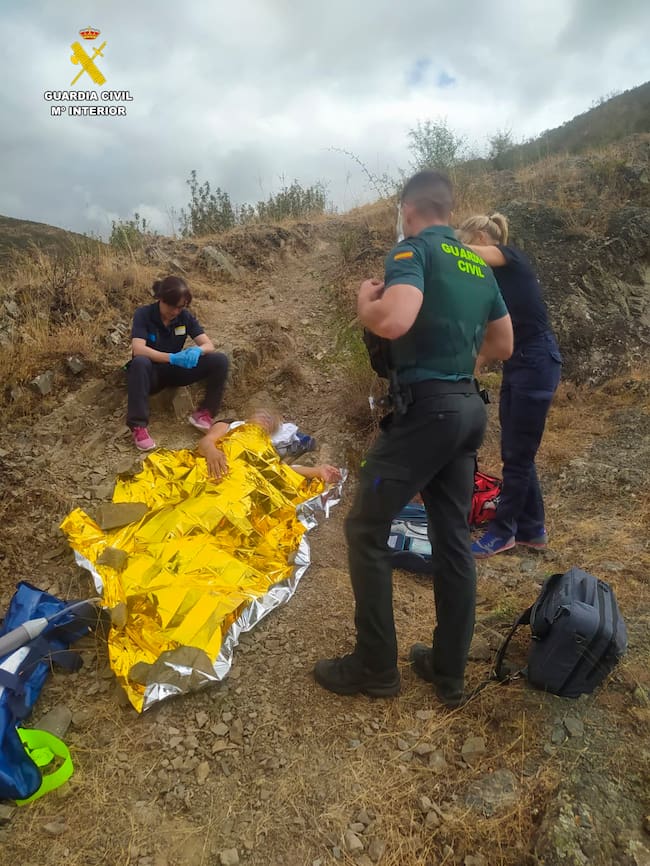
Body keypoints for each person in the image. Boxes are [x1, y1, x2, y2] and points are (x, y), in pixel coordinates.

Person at [313, 171, 513, 706]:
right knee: (452, 536)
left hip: (427, 414)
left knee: (364, 526)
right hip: (469, 410)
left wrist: (364, 306)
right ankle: (448, 672)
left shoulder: (412, 251)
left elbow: (395, 320)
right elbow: (504, 342)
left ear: (408, 210)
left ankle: (375, 668)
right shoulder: (478, 261)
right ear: (449, 209)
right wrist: (458, 367)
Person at [456, 213, 562, 558]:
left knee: (517, 456)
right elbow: (491, 338)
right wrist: (467, 371)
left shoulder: (511, 257)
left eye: (467, 244)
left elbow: (476, 255)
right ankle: (533, 528)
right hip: (519, 364)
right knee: (515, 452)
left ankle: (504, 532)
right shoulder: (492, 285)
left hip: (538, 361)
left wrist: (443, 246)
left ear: (481, 240)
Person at [126, 275, 229, 450]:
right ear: (161, 299)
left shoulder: (184, 318)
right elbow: (138, 349)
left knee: (220, 360)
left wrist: (197, 351)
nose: (175, 312)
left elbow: (208, 344)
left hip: (175, 370)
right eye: (172, 306)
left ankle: (204, 413)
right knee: (140, 362)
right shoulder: (143, 314)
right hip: (151, 375)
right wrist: (172, 357)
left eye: (180, 307)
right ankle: (138, 427)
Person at [197, 408, 342, 484]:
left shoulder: (265, 446)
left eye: (270, 421)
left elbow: (279, 470)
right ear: (249, 417)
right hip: (212, 472)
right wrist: (211, 451)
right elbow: (205, 442)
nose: (266, 419)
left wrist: (317, 471)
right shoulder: (231, 425)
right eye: (263, 415)